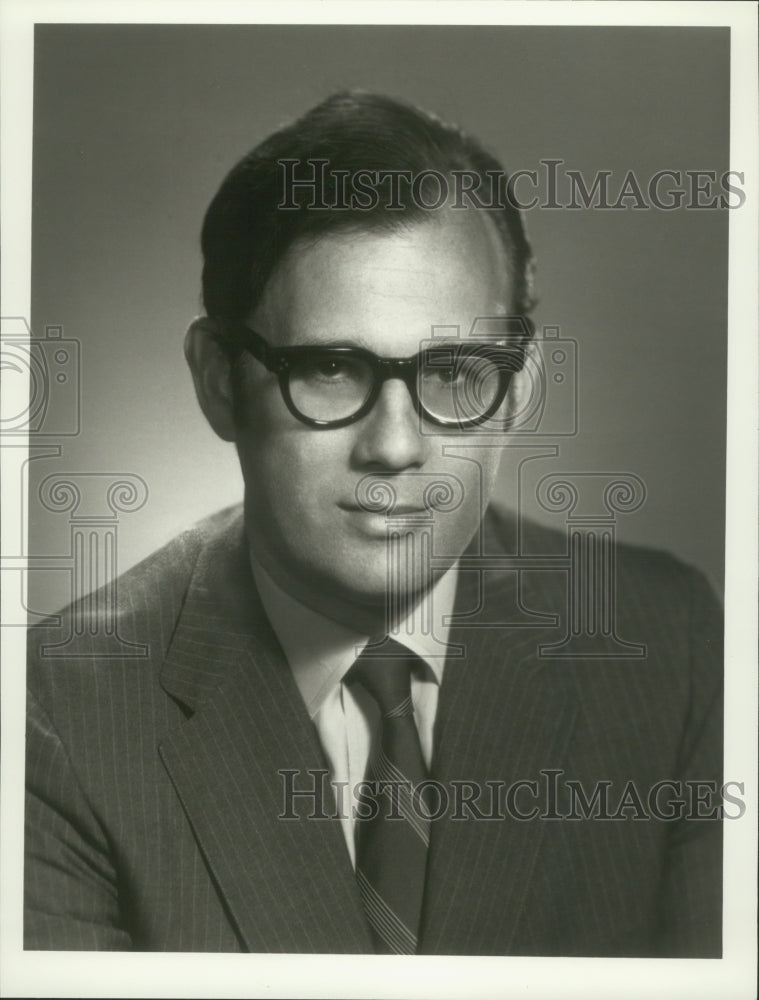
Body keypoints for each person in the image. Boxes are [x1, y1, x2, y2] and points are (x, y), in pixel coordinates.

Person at [24, 91, 723, 956]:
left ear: (521, 389)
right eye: (328, 368)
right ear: (217, 380)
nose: (394, 448)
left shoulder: (673, 646)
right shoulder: (54, 715)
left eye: (457, 372)